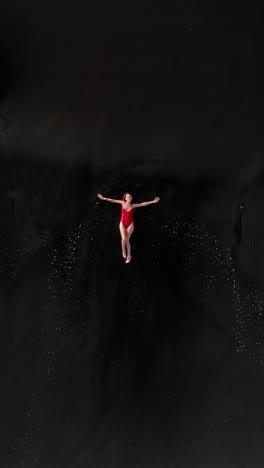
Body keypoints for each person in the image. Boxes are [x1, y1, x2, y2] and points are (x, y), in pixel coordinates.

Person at [97, 192, 160, 263]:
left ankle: (129, 255)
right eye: (127, 197)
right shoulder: (122, 203)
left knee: (127, 240)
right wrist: (102, 198)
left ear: (131, 198)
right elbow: (112, 200)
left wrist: (154, 201)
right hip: (122, 223)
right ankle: (124, 251)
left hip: (130, 224)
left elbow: (143, 204)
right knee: (123, 238)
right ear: (125, 198)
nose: (129, 198)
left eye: (130, 197)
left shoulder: (133, 205)